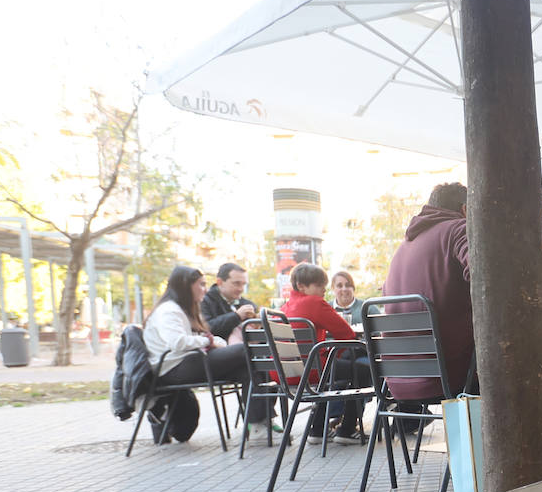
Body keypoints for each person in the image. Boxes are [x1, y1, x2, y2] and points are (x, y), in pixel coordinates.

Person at [383, 182, 475, 405]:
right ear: (465, 210)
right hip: (449, 375)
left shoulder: (401, 248)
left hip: (395, 381)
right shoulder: (458, 228)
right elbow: (485, 278)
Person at [143, 265, 264, 434]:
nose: (205, 289)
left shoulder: (184, 309)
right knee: (246, 351)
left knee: (246, 367)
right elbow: (176, 342)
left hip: (188, 361)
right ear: (185, 285)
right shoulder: (168, 310)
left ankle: (258, 425)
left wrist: (212, 341)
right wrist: (206, 340)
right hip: (173, 367)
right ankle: (259, 424)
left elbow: (202, 338)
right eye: (201, 284)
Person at [280, 263, 368, 442]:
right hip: (310, 371)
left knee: (338, 369)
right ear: (302, 286)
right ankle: (347, 430)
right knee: (363, 370)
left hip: (284, 372)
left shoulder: (285, 308)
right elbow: (347, 335)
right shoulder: (315, 303)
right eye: (319, 286)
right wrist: (334, 356)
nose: (323, 291)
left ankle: (318, 429)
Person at [200, 262, 258, 340]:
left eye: (244, 284)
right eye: (236, 283)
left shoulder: (248, 304)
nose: (241, 289)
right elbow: (206, 328)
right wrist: (237, 316)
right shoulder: (204, 301)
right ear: (220, 282)